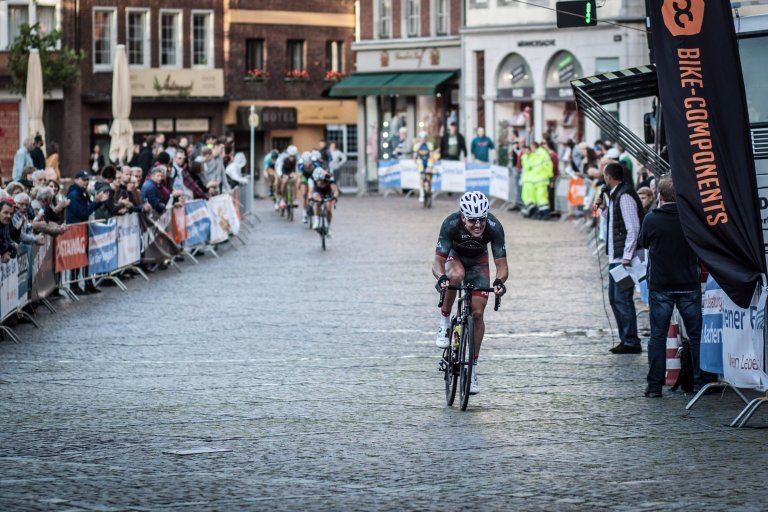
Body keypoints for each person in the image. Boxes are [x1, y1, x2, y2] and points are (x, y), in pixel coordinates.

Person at [432, 192, 508, 395]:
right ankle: (445, 323)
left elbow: (502, 265)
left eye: (482, 219)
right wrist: (441, 278)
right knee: (455, 276)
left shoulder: (494, 227)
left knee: (477, 313)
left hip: (478, 263)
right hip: (455, 258)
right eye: (472, 220)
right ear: (463, 216)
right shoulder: (450, 223)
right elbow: (437, 262)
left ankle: (472, 368)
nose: (478, 225)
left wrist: (499, 282)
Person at [637, 177, 704, 397]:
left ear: (660, 196)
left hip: (661, 284)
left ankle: (655, 386)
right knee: (696, 335)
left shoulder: (652, 219)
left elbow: (643, 242)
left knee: (657, 335)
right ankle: (700, 381)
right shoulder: (691, 218)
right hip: (688, 283)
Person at [595, 163, 644, 354]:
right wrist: (603, 207)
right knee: (615, 299)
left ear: (609, 177)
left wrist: (626, 255)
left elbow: (633, 228)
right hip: (616, 257)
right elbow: (611, 222)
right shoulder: (614, 195)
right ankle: (626, 338)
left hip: (624, 259)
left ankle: (631, 340)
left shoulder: (625, 196)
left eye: (604, 176)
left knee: (622, 298)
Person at [309, 166, 339, 235]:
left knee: (328, 207)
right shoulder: (312, 179)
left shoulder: (329, 178)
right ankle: (316, 219)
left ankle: (328, 225)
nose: (319, 182)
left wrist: (334, 197)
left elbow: (335, 191)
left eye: (321, 180)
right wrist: (310, 198)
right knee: (317, 201)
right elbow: (310, 192)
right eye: (317, 180)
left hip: (327, 191)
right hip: (317, 191)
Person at [412, 131, 436, 204]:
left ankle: (430, 186)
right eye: (421, 138)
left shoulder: (429, 145)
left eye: (424, 138)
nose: (423, 140)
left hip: (428, 161)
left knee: (429, 175)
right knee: (422, 177)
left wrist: (431, 165)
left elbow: (432, 156)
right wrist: (415, 161)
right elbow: (415, 156)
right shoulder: (417, 146)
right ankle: (422, 193)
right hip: (421, 162)